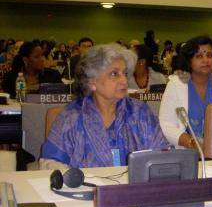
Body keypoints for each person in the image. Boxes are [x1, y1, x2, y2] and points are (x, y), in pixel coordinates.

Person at [39, 43, 170, 169]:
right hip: (87, 189)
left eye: (125, 73)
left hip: (134, 188)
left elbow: (163, 154)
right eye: (114, 74)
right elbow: (50, 163)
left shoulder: (139, 112)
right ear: (92, 82)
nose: (124, 81)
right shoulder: (72, 116)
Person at [159, 36, 212, 148]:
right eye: (199, 56)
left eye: (209, 55)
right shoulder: (176, 84)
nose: (205, 60)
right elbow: (166, 125)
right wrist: (192, 143)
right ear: (189, 61)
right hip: (185, 151)